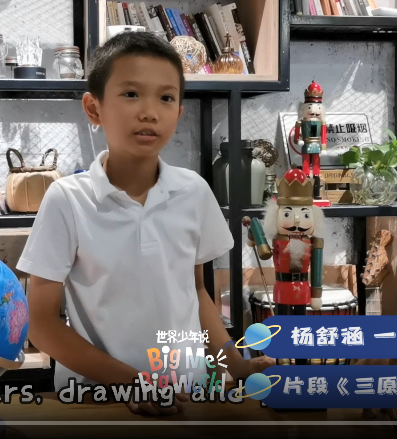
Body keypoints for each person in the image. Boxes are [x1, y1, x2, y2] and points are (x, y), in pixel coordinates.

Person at [16, 31, 275, 416]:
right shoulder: (67, 199)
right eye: (131, 93)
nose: (150, 112)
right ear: (93, 108)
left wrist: (236, 366)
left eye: (166, 98)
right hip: (99, 399)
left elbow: (196, 293)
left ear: (179, 113)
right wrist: (133, 382)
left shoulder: (193, 191)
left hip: (185, 394)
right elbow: (40, 323)